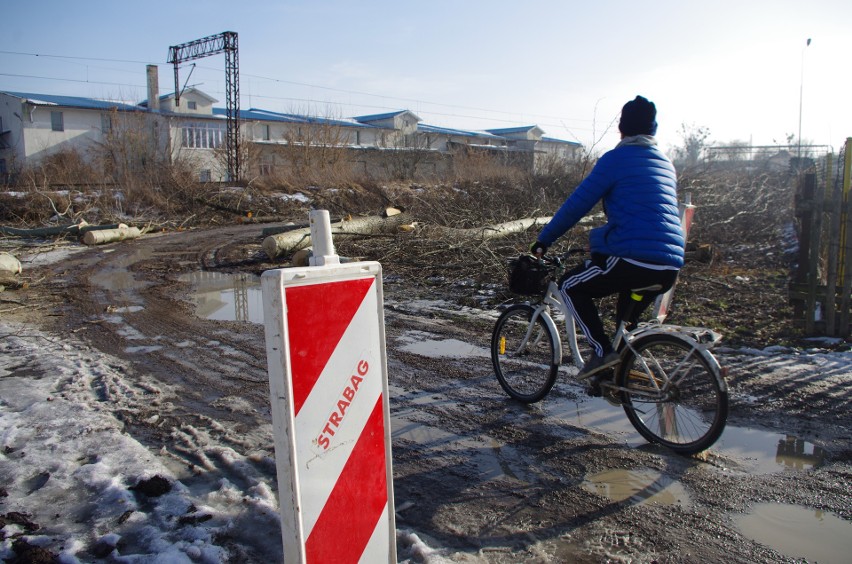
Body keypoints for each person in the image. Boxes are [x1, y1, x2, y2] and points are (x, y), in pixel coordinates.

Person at [530, 95, 684, 386]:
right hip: (668, 267)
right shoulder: (666, 163)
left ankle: (602, 355)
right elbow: (645, 219)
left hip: (635, 261)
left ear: (621, 129)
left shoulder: (615, 160)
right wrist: (602, 241)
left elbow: (578, 204)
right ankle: (618, 376)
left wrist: (544, 239)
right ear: (653, 130)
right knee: (625, 321)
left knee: (570, 286)